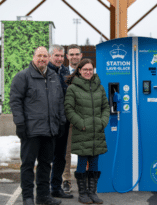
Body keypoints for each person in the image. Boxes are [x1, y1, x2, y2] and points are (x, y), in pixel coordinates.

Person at [10, 46, 65, 205]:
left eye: (45, 56)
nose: (42, 59)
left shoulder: (53, 76)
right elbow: (15, 101)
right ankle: (28, 197)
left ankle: (43, 196)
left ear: (48, 58)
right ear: (34, 57)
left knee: (46, 165)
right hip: (31, 131)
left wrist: (60, 122)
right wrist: (19, 123)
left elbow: (59, 101)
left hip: (49, 130)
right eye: (39, 55)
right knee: (27, 165)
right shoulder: (23, 77)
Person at [64, 58, 110, 204]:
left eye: (90, 70)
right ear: (79, 71)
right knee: (82, 163)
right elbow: (69, 109)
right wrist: (82, 124)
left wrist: (103, 122)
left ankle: (92, 193)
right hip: (82, 132)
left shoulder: (100, 88)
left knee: (95, 163)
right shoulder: (73, 88)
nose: (88, 72)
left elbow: (105, 108)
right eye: (85, 70)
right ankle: (83, 194)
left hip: (97, 131)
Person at [47, 45, 73, 199]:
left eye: (61, 56)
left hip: (63, 122)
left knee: (60, 157)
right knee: (45, 158)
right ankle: (44, 190)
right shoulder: (45, 72)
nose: (59, 58)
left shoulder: (65, 72)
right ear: (50, 56)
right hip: (48, 122)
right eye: (56, 55)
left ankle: (56, 188)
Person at [62, 44, 83, 193]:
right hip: (67, 119)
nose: (74, 56)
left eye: (77, 54)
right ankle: (66, 180)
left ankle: (84, 180)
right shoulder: (60, 73)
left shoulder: (87, 72)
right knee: (66, 152)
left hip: (83, 119)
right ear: (67, 56)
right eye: (71, 54)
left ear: (81, 56)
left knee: (84, 150)